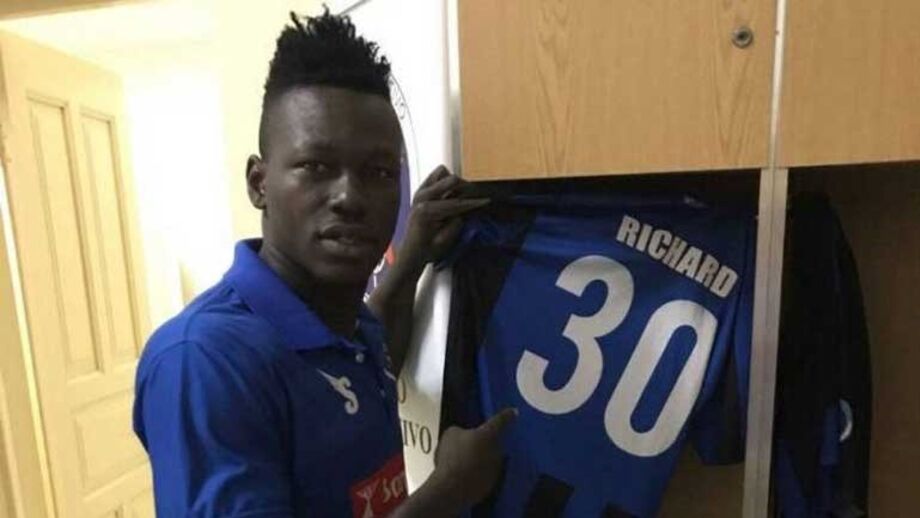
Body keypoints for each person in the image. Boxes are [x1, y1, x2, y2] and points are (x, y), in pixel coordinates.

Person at [133, 10, 515, 517]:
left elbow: (374, 345)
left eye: (379, 172)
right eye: (316, 167)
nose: (349, 197)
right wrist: (448, 491)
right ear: (259, 183)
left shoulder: (344, 328)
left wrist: (416, 249)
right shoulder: (206, 360)